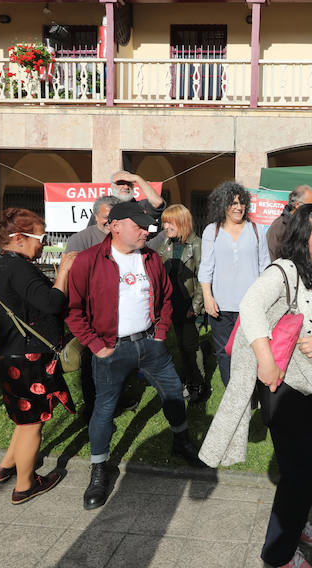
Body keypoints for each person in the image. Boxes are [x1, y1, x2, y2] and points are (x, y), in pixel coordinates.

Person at [199, 203, 312, 568]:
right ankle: (279, 555)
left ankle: (297, 522)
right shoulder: (285, 270)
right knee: (300, 470)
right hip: (284, 384)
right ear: (303, 236)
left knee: (311, 462)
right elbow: (250, 305)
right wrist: (265, 360)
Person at [66, 201, 204, 511]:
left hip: (151, 346)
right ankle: (99, 469)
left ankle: (180, 440)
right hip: (110, 349)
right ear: (115, 226)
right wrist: (94, 344)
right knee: (104, 408)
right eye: (139, 225)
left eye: (147, 226)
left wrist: (160, 332)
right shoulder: (89, 260)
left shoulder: (152, 258)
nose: (147, 230)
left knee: (172, 393)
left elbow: (166, 297)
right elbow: (73, 310)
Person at [0, 208, 76, 504]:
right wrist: (63, 272)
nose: (44, 242)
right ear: (18, 238)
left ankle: (7, 466)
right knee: (32, 423)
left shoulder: (1, 262)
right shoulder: (19, 267)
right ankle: (25, 484)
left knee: (23, 417)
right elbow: (52, 303)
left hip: (11, 351)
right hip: (29, 356)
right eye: (41, 237)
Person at [62, 195, 138, 419]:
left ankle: (118, 398)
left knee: (119, 358)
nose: (110, 222)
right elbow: (71, 275)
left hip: (121, 310)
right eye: (106, 217)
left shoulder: (125, 238)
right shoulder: (81, 239)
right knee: (91, 361)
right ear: (95, 216)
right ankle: (92, 406)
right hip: (91, 312)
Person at [198, 181, 270, 387]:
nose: (238, 207)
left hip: (251, 306)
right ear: (223, 205)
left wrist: (265, 300)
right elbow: (206, 267)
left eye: (241, 203)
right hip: (220, 306)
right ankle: (232, 392)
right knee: (224, 353)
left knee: (252, 350)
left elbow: (265, 267)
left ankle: (251, 390)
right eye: (232, 203)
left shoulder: (257, 230)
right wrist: (207, 297)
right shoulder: (212, 231)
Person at [148, 204, 208, 402]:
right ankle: (189, 378)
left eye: (169, 222)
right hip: (172, 303)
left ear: (182, 222)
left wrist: (196, 305)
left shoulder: (197, 244)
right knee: (181, 345)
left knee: (191, 345)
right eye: (164, 222)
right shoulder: (166, 242)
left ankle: (199, 385)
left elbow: (203, 277)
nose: (166, 226)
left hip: (189, 302)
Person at [86, 170, 164, 232]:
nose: (126, 187)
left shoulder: (140, 206)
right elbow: (90, 235)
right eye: (121, 183)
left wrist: (137, 178)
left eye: (129, 183)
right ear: (112, 186)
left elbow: (158, 202)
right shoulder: (102, 209)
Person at [267, 184, 312, 261]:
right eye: (310, 206)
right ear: (297, 205)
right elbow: (270, 256)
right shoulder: (280, 226)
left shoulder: (309, 225)